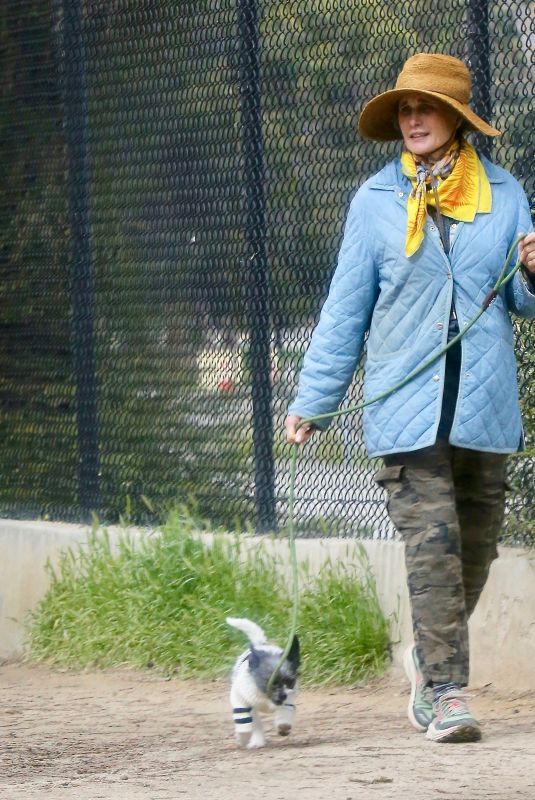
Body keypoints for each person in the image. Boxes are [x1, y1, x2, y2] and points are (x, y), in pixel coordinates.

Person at [285, 53, 535, 744]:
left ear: (455, 118)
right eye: (404, 108)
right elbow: (343, 312)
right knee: (433, 550)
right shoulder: (373, 204)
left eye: (425, 107)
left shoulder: (506, 194)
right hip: (404, 416)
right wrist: (311, 400)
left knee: (474, 555)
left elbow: (522, 299)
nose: (413, 118)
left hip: (484, 415)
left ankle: (427, 665)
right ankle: (448, 694)